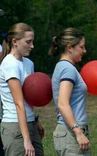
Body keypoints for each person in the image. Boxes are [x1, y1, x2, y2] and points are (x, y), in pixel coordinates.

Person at [0, 23, 44, 156]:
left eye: (32, 42)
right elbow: (19, 103)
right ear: (15, 42)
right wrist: (26, 140)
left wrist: (36, 121)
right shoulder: (9, 64)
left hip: (30, 123)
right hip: (14, 127)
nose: (32, 46)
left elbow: (28, 99)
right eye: (28, 42)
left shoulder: (29, 63)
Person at [49, 27, 90, 156]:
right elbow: (62, 103)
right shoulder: (68, 69)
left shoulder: (63, 66)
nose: (84, 51)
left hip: (68, 132)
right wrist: (77, 132)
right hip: (71, 134)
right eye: (81, 47)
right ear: (70, 47)